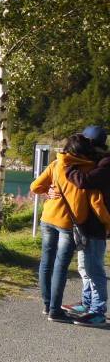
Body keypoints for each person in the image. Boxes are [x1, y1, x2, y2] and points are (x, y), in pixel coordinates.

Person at [31, 134, 109, 324]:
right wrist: (107, 224)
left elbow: (35, 186)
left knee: (46, 262)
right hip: (67, 224)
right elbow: (96, 203)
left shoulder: (57, 164)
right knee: (60, 266)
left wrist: (48, 191)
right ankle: (55, 312)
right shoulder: (87, 170)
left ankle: (47, 305)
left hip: (47, 219)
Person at [63, 125, 110, 328]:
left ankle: (98, 311)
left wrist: (68, 167)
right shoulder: (93, 160)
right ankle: (87, 302)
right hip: (86, 223)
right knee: (84, 266)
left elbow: (84, 181)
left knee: (95, 268)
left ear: (90, 143)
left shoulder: (106, 163)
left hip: (97, 225)